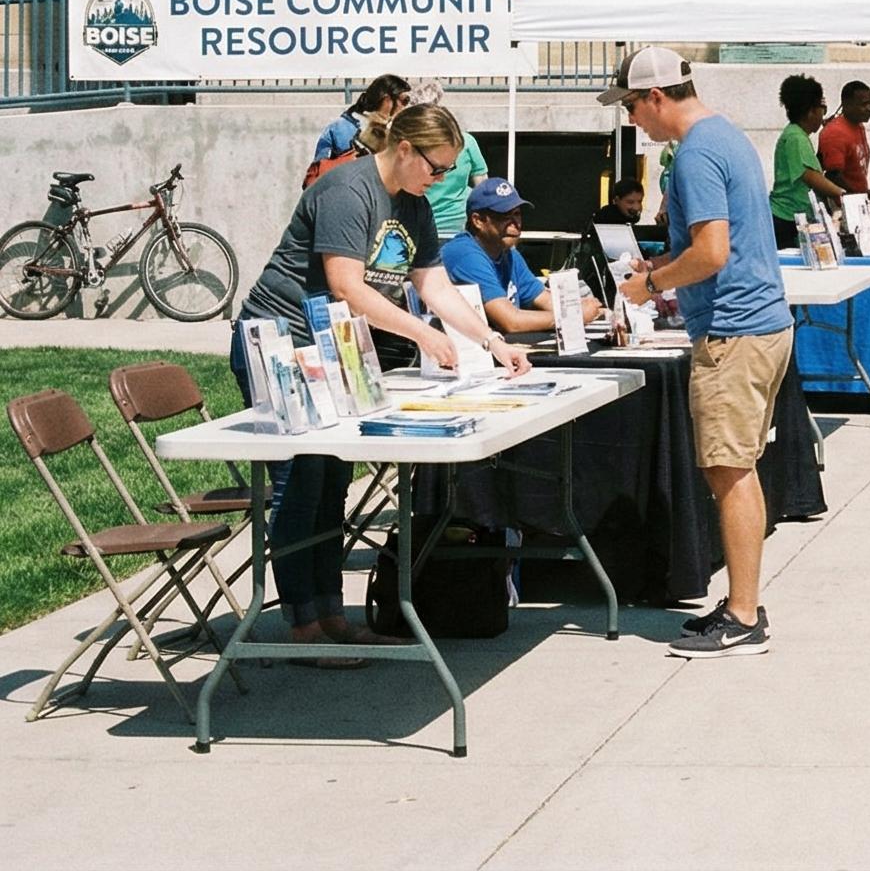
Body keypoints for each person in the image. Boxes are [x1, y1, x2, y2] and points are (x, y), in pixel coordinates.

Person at [236, 103, 529, 662]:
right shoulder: (348, 189)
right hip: (281, 339)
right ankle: (303, 625)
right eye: (436, 167)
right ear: (403, 150)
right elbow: (346, 285)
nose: (439, 180)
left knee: (330, 480)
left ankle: (330, 615)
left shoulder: (414, 206)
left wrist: (489, 341)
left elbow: (437, 286)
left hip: (331, 347)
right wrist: (423, 334)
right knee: (300, 480)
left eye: (447, 171)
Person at [609, 47, 794, 659]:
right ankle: (743, 602)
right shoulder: (726, 136)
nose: (633, 120)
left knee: (729, 472)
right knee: (737, 466)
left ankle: (743, 617)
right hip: (758, 323)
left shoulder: (692, 155)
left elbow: (713, 253)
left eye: (633, 107)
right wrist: (665, 266)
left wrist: (652, 284)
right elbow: (724, 245)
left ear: (657, 97)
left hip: (733, 333)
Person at [440, 177, 605, 336]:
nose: (515, 223)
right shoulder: (465, 254)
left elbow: (546, 301)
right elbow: (510, 322)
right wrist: (574, 316)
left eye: (517, 214)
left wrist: (597, 311)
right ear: (478, 221)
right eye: (504, 216)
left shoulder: (509, 254)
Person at [770, 74, 846, 249]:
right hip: (786, 216)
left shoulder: (798, 136)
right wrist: (841, 193)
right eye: (823, 108)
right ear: (811, 111)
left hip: (794, 215)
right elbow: (810, 176)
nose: (823, 114)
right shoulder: (795, 137)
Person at [409, 82, 490, 239]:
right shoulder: (466, 141)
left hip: (417, 227)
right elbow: (483, 189)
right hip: (459, 227)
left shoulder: (408, 144)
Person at [306, 73, 409, 185]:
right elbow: (314, 178)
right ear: (387, 100)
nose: (406, 107)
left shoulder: (396, 131)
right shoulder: (340, 129)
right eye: (405, 101)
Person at [817, 79, 870, 197]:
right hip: (842, 204)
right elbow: (832, 176)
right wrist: (857, 194)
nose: (869, 108)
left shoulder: (859, 126)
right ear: (847, 105)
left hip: (858, 200)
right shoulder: (835, 133)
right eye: (864, 104)